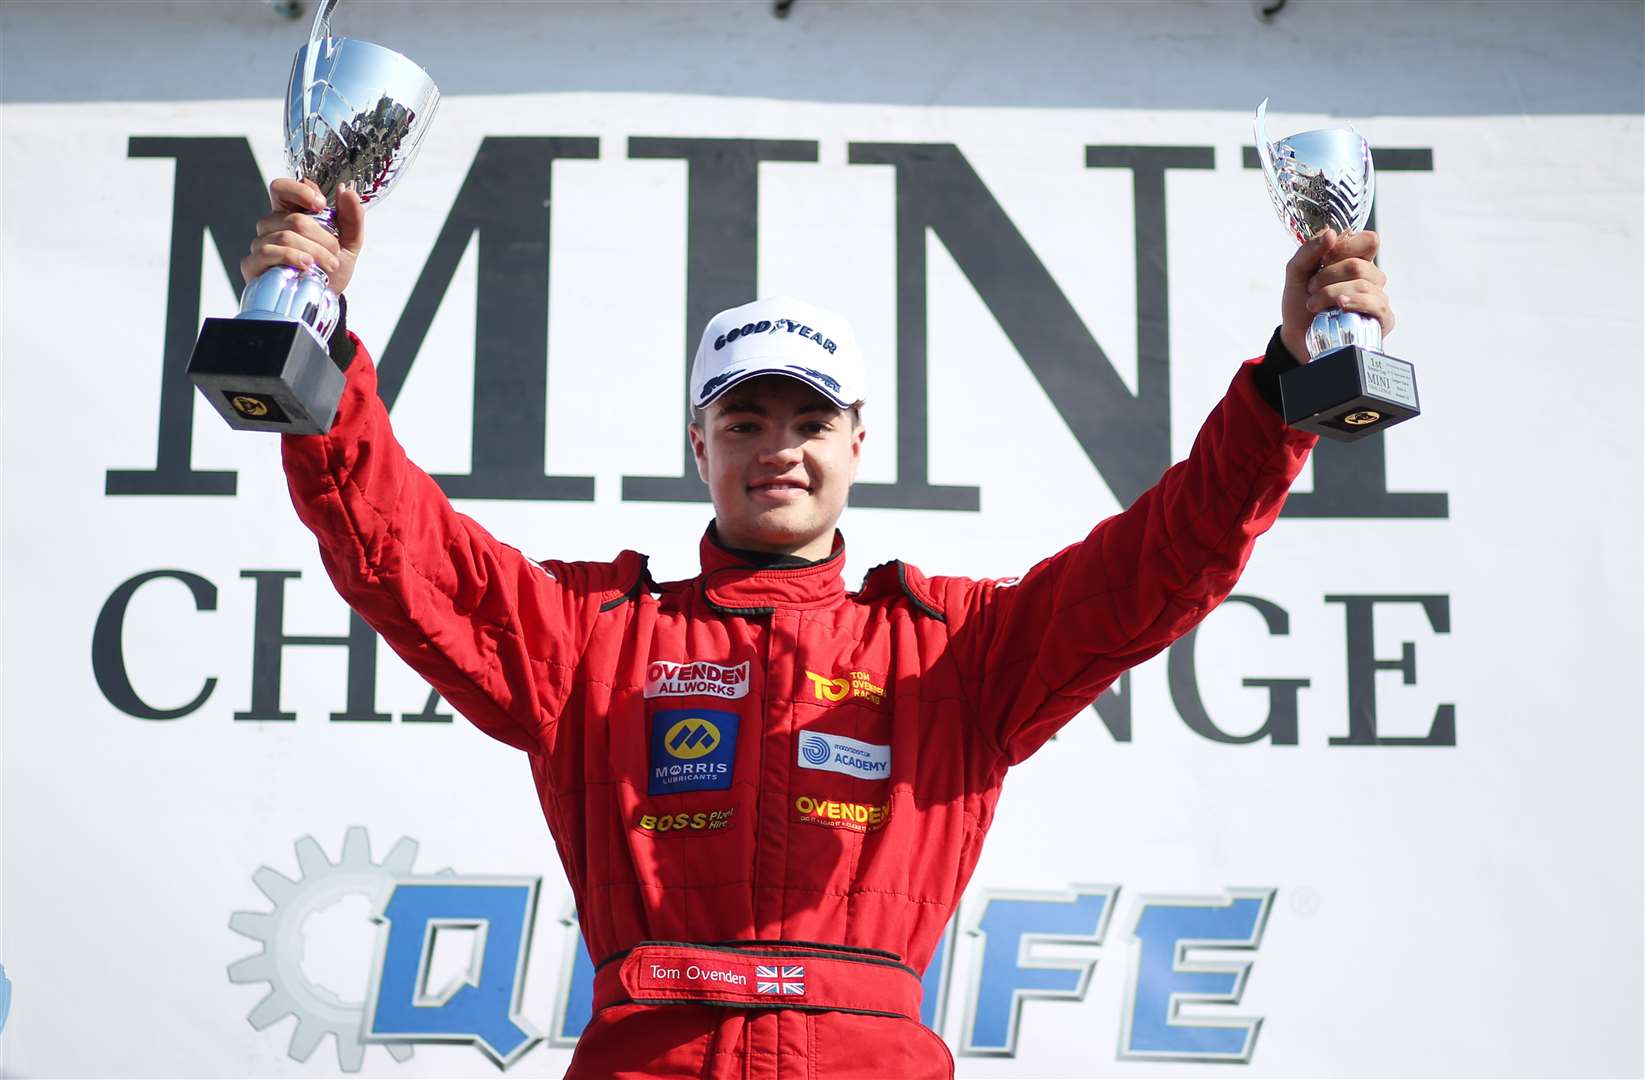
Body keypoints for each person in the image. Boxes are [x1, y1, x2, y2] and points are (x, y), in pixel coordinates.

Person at [255, 174, 1392, 1080]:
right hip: (653, 1057)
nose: (777, 449)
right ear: (697, 447)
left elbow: (1163, 562)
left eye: (809, 420)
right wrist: (317, 352)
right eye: (742, 420)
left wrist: (1289, 381)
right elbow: (400, 554)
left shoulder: (956, 648)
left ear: (859, 444)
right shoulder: (591, 634)